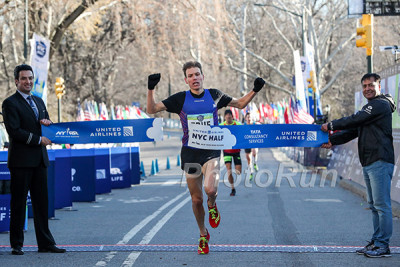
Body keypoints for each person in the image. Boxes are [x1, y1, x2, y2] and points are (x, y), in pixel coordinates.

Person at [147, 61, 265, 254]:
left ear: (203, 76)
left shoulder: (214, 95)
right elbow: (151, 109)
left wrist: (255, 90)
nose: (194, 78)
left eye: (197, 74)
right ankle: (203, 234)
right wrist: (151, 88)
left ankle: (213, 204)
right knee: (195, 200)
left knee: (210, 189)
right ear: (186, 80)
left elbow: (240, 103)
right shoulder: (180, 99)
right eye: (190, 76)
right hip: (190, 154)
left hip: (211, 152)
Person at [321, 73, 395, 258]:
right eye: (364, 86)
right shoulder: (369, 108)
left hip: (380, 160)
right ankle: (377, 240)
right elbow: (354, 130)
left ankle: (383, 245)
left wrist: (331, 125)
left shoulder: (380, 104)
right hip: (369, 161)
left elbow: (354, 120)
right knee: (373, 204)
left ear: (379, 86)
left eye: (371, 85)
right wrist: (332, 139)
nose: (367, 88)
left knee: (381, 204)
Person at [2, 64, 66, 255]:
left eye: (30, 78)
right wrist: (39, 139)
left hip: (39, 161)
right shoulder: (9, 103)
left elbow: (45, 125)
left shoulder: (39, 101)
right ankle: (16, 244)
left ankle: (45, 243)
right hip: (21, 162)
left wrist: (47, 125)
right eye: (24, 78)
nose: (28, 81)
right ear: (16, 81)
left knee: (41, 204)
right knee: (19, 203)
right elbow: (14, 131)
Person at [220, 109, 242, 196]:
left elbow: (245, 132)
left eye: (230, 115)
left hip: (236, 151)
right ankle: (233, 188)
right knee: (229, 171)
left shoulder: (238, 124)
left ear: (232, 117)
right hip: (226, 151)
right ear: (224, 117)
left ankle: (235, 174)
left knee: (238, 172)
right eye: (227, 115)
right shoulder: (221, 126)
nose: (228, 117)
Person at [244, 112, 259, 181]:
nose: (249, 118)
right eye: (248, 117)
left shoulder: (254, 124)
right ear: (245, 118)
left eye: (250, 117)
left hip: (254, 142)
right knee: (248, 159)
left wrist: (259, 124)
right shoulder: (243, 125)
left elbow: (261, 126)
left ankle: (255, 163)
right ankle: (251, 172)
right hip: (246, 143)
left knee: (254, 151)